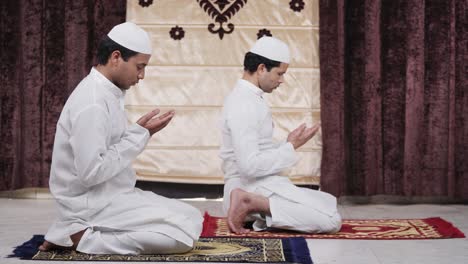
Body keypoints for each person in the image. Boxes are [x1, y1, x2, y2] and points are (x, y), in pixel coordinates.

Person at [39, 22, 203, 255]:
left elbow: (109, 149)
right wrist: (139, 136)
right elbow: (91, 173)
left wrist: (139, 132)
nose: (142, 75)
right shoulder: (93, 101)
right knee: (180, 239)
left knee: (192, 218)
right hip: (91, 204)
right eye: (139, 66)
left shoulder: (108, 92)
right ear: (116, 57)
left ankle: (75, 230)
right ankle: (81, 237)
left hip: (112, 196)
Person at [220, 36, 342, 234]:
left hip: (256, 184)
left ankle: (255, 205)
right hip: (248, 186)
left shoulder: (249, 97)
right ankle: (250, 203)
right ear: (261, 68)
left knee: (327, 205)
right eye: (279, 73)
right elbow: (249, 166)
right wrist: (290, 148)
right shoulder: (244, 104)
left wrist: (288, 143)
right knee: (330, 220)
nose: (282, 80)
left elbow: (257, 150)